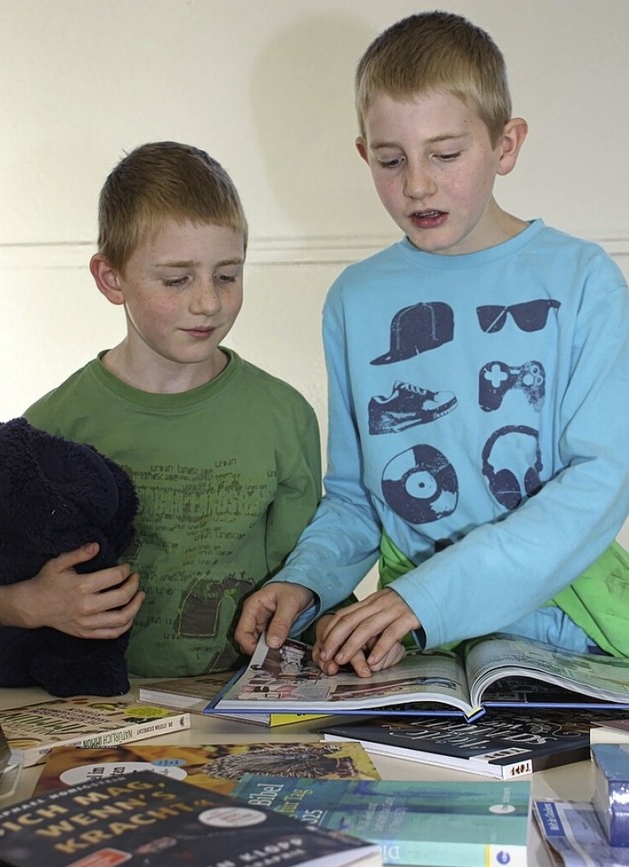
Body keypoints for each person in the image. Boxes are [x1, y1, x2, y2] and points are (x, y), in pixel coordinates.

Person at [234, 11, 629, 678]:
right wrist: (305, 581)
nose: (417, 182)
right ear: (364, 153)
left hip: (574, 626)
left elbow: (602, 481)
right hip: (418, 645)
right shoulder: (355, 300)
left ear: (506, 145)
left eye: (445, 154)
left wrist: (426, 597)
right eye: (391, 160)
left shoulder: (584, 278)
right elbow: (358, 498)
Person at [0, 141, 321, 678]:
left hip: (237, 707)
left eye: (227, 275)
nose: (207, 302)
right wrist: (20, 604)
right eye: (176, 279)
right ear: (110, 278)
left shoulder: (284, 416)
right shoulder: (50, 426)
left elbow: (308, 573)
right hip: (95, 711)